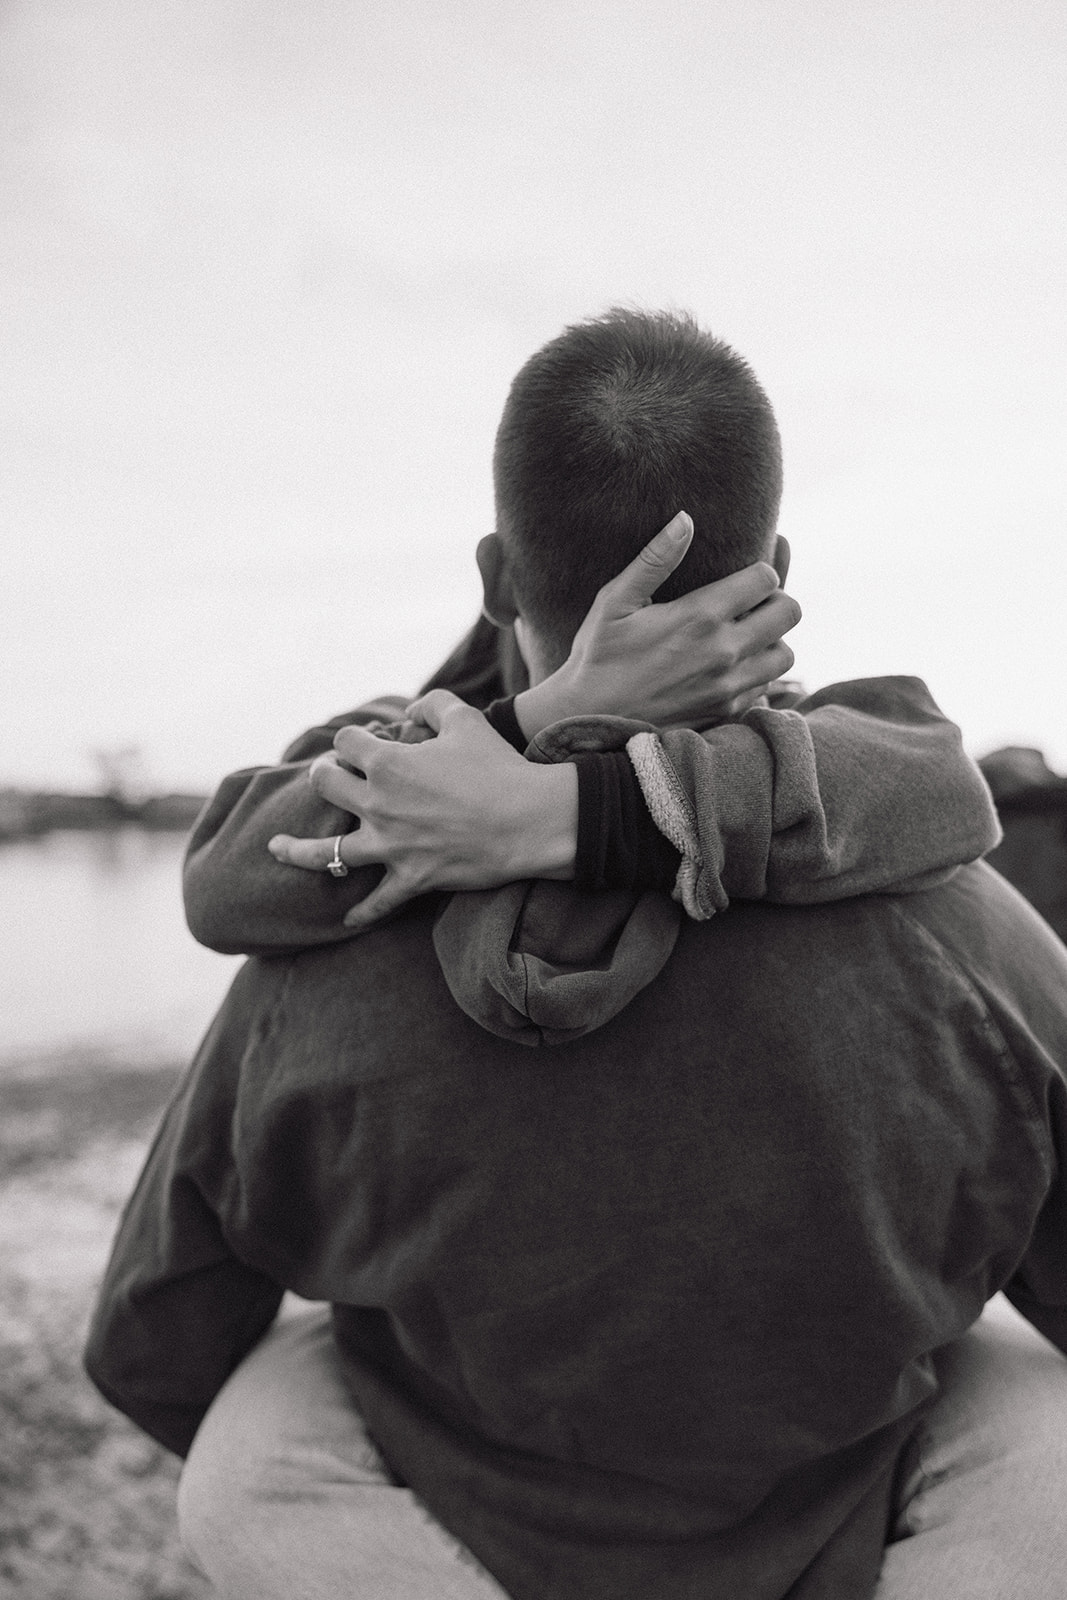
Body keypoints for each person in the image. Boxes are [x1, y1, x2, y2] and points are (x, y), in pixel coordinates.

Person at [85, 310, 1067, 1599]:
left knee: (242, 1460)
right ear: (771, 571)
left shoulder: (336, 936)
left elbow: (160, 1318)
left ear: (495, 575)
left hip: (465, 1518)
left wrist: (547, 766)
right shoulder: (965, 928)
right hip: (831, 1509)